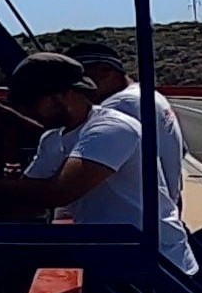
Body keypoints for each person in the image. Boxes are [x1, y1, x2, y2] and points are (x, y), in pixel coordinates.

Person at [0, 52, 197, 274]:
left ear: (59, 97)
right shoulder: (53, 139)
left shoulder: (111, 127)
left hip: (158, 263)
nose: (29, 114)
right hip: (115, 255)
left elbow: (60, 192)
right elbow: (27, 204)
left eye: (31, 105)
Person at [64, 41, 185, 212]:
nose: (76, 92)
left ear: (105, 71)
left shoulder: (120, 106)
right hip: (159, 209)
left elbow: (71, 181)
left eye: (78, 83)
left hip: (134, 218)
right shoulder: (148, 95)